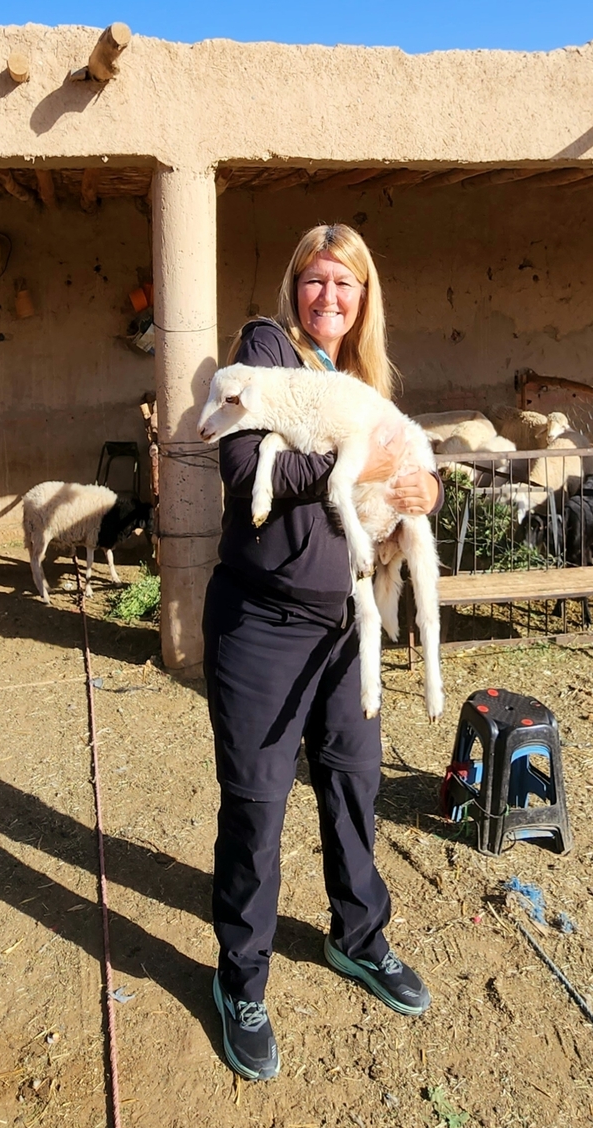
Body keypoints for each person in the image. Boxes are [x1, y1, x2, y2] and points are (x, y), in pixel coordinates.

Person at [202, 223, 441, 1082]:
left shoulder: (364, 380)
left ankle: (359, 935)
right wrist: (355, 457)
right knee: (258, 803)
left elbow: (401, 461)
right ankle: (241, 979)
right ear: (294, 286)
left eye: (346, 284)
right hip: (262, 620)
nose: (329, 297)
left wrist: (420, 481)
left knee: (353, 781)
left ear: (365, 297)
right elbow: (238, 466)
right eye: (315, 280)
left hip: (348, 623)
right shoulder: (266, 350)